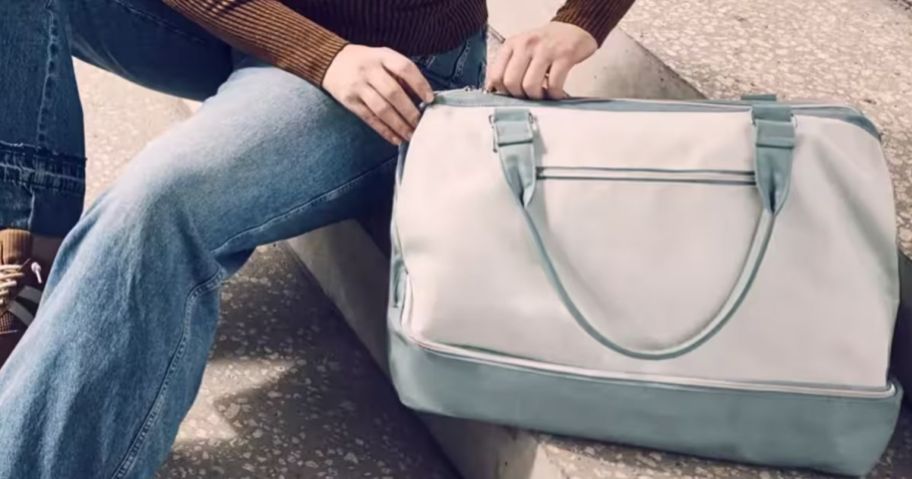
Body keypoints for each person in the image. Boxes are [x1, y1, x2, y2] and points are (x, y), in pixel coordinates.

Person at [0, 0, 635, 476]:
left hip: (397, 68)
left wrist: (580, 20)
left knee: (155, 208)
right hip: (261, 30)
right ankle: (37, 258)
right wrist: (314, 50)